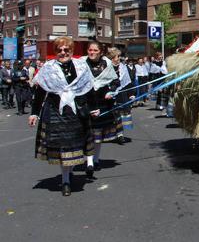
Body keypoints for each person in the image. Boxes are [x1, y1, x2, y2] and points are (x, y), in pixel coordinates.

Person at [28, 37, 95, 196]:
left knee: (73, 147)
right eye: (59, 50)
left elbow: (89, 89)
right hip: (55, 113)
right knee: (63, 148)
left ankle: (68, 172)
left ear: (71, 50)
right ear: (55, 52)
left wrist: (93, 108)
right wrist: (34, 113)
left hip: (76, 113)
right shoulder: (47, 68)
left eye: (66, 49)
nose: (63, 52)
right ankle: (65, 181)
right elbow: (40, 93)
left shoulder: (81, 66)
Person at [83, 41, 120, 173]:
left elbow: (115, 81)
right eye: (90, 50)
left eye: (95, 50)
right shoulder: (81, 63)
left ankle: (95, 160)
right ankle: (89, 162)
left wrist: (112, 91)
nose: (91, 52)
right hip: (86, 101)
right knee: (88, 133)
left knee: (97, 135)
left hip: (102, 102)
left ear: (101, 52)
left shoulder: (107, 63)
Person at [108, 48, 134, 145]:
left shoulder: (123, 68)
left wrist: (131, 94)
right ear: (112, 58)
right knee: (112, 116)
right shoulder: (106, 67)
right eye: (117, 56)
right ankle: (111, 134)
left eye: (119, 56)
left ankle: (120, 135)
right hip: (109, 94)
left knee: (119, 115)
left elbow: (128, 82)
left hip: (121, 94)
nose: (119, 58)